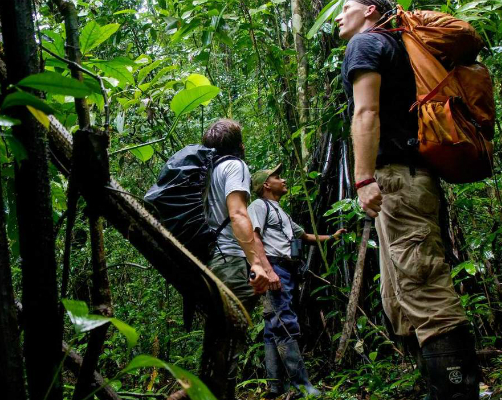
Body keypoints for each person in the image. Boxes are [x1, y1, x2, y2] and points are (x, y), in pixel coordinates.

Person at [335, 1, 480, 399]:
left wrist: (363, 178)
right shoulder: (399, 46)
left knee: (423, 287)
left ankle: (456, 392)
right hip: (412, 179)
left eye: (345, 6)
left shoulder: (366, 45)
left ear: (368, 10)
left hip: (397, 178)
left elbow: (366, 112)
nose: (337, 15)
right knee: (399, 299)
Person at [200, 118, 281, 400]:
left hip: (213, 261)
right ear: (240, 145)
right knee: (231, 339)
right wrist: (256, 263)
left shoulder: (207, 172)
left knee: (217, 338)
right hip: (232, 261)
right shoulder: (235, 167)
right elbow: (237, 214)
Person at [248, 164, 346, 398]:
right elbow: (254, 236)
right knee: (284, 322)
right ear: (266, 185)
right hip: (275, 267)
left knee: (274, 327)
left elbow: (304, 236)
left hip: (287, 269)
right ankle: (302, 386)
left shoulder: (281, 212)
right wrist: (267, 270)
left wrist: (330, 237)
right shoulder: (258, 206)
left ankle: (275, 387)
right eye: (277, 177)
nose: (282, 180)